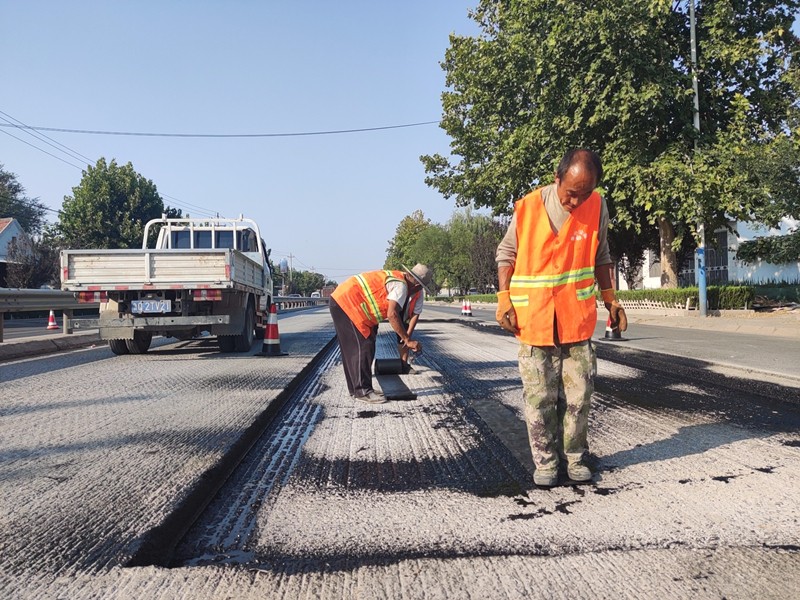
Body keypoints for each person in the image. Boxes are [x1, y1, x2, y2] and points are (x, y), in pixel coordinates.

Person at [495, 148, 627, 487]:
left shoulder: (597, 206)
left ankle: (576, 457)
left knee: (579, 396)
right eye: (570, 193)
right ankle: (546, 462)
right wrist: (503, 298)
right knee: (540, 398)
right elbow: (506, 254)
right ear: (557, 178)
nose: (576, 201)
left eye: (584, 194)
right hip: (534, 320)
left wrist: (611, 300)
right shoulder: (527, 208)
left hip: (575, 320)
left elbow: (602, 256)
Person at [329, 263, 433, 404]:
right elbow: (392, 314)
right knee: (363, 347)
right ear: (417, 286)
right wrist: (407, 339)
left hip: (346, 302)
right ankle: (363, 391)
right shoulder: (401, 286)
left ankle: (356, 389)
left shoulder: (397, 278)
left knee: (356, 348)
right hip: (349, 304)